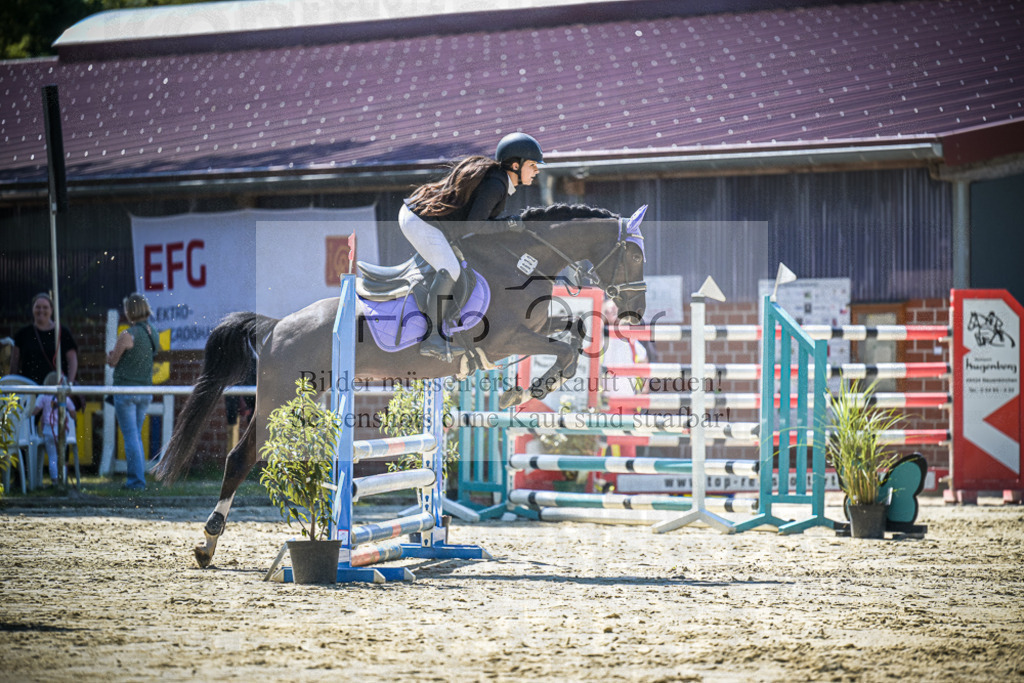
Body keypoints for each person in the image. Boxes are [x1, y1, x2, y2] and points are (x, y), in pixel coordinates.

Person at [401, 132, 545, 360]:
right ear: (516, 165)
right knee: (451, 269)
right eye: (533, 165)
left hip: (431, 222)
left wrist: (506, 226)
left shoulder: (498, 181)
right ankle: (431, 339)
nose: (537, 170)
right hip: (420, 221)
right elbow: (475, 225)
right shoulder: (496, 184)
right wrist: (508, 225)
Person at [106, 293, 158, 491]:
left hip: (126, 391)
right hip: (145, 391)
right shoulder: (152, 331)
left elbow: (113, 362)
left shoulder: (127, 334)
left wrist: (109, 356)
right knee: (135, 435)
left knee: (131, 437)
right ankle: (138, 479)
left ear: (130, 311)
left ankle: (136, 481)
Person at [11, 292, 78, 386]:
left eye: (45, 307)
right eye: (38, 307)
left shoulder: (62, 332)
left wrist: (69, 383)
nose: (41, 310)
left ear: (51, 310)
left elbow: (72, 361)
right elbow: (14, 364)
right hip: (29, 389)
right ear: (33, 309)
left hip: (56, 388)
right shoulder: (22, 334)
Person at [32, 371, 76, 487]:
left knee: (52, 456)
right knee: (61, 455)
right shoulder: (63, 397)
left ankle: (55, 481)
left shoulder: (43, 397)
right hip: (62, 430)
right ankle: (63, 479)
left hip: (48, 430)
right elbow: (73, 412)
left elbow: (35, 411)